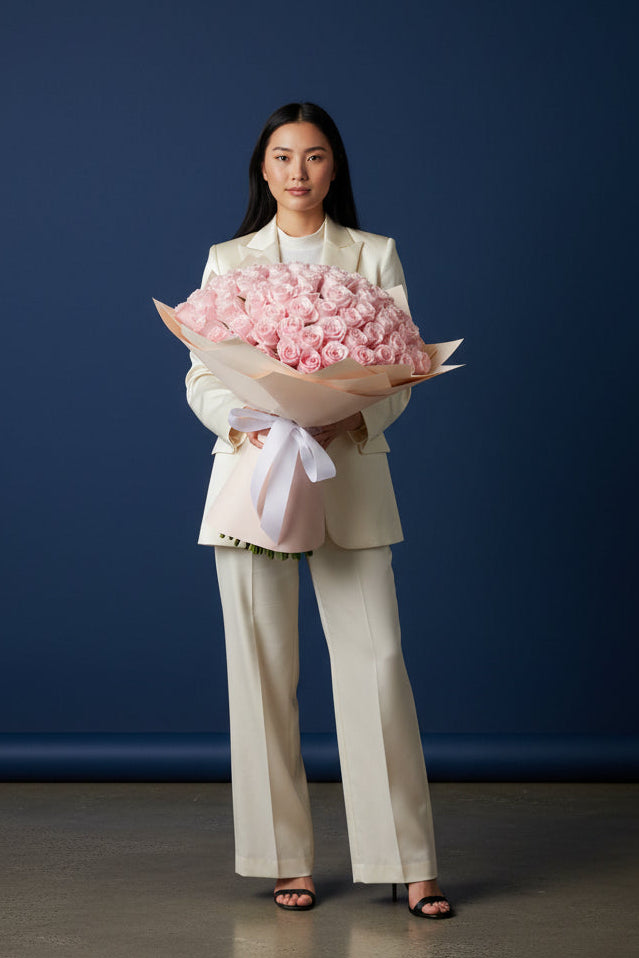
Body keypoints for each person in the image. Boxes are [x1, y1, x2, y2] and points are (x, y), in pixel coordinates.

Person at [184, 102, 453, 919]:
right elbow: (202, 376)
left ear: (334, 168)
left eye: (313, 156)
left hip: (351, 475)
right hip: (253, 477)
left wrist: (347, 414)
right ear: (261, 170)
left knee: (375, 664)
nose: (297, 172)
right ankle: (283, 859)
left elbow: (403, 370)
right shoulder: (228, 260)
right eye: (282, 156)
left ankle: (407, 862)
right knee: (261, 672)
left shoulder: (373, 256)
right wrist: (258, 418)